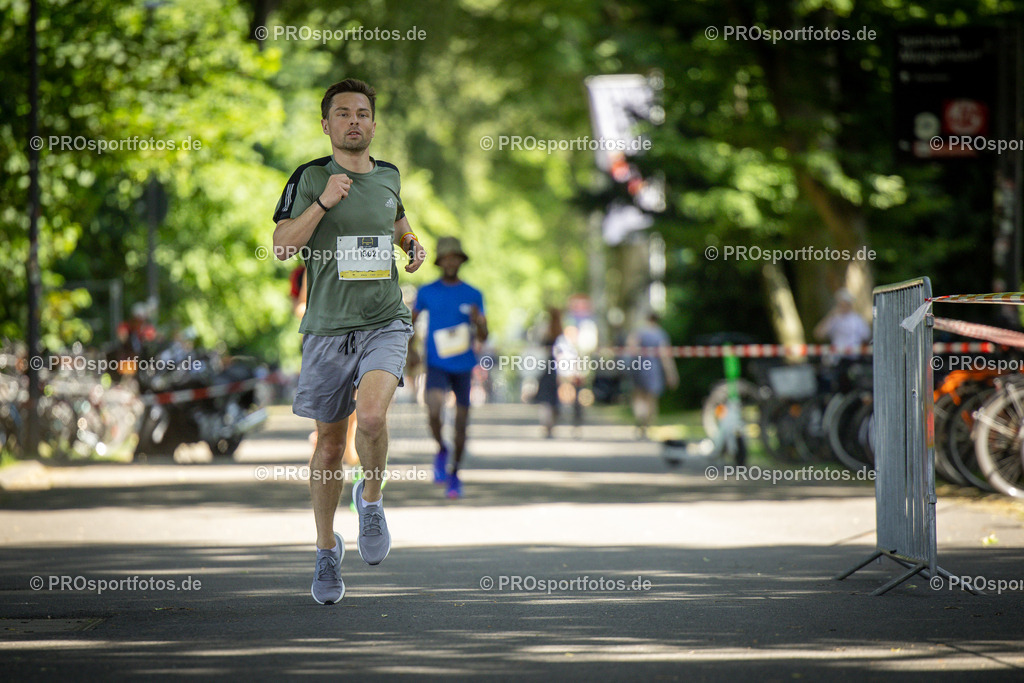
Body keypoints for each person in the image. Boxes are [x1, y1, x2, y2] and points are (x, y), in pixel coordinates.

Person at [272, 78, 426, 605]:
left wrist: (410, 242)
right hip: (327, 331)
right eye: (343, 114)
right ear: (326, 124)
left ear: (374, 124)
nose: (354, 121)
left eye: (362, 113)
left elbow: (396, 217)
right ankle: (324, 548)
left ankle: (373, 498)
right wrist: (323, 203)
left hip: (385, 319)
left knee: (375, 417)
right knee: (332, 446)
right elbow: (280, 246)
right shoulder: (311, 177)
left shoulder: (388, 176)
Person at [411, 237, 487, 499]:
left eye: (455, 257)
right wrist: (410, 352)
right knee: (433, 411)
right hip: (436, 363)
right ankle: (441, 449)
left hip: (464, 365)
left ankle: (455, 474)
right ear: (440, 261)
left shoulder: (474, 294)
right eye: (446, 257)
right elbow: (411, 323)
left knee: (462, 424)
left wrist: (479, 323)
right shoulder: (426, 292)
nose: (451, 262)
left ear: (461, 261)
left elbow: (485, 335)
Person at [626, 313, 679, 439]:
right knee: (651, 399)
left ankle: (640, 416)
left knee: (638, 395)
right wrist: (671, 374)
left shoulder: (639, 332)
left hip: (638, 367)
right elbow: (665, 356)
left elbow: (630, 346)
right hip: (653, 369)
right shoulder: (660, 334)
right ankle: (647, 424)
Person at [813, 288, 871, 391]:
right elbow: (818, 334)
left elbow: (866, 337)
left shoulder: (857, 320)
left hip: (852, 359)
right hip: (836, 359)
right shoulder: (834, 319)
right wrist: (831, 315)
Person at [534, 307, 577, 438]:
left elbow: (538, 346)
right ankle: (551, 425)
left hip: (545, 369)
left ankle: (547, 425)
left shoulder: (546, 331)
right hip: (557, 370)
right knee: (553, 399)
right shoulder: (561, 334)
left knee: (545, 399)